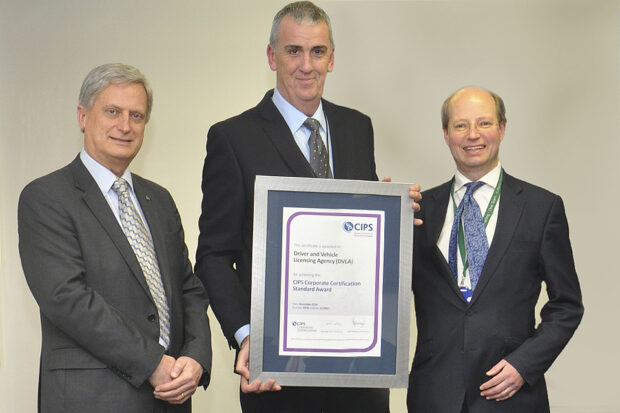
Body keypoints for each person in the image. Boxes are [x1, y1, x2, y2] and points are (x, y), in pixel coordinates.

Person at [195, 2, 420, 411]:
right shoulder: (233, 138)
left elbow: (356, 243)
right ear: (271, 56)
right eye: (293, 51)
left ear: (332, 59)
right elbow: (213, 256)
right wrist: (249, 337)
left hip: (359, 369)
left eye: (317, 52)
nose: (306, 65)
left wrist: (391, 216)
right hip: (278, 373)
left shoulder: (357, 127)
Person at [18, 63, 212, 413]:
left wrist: (196, 357)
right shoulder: (46, 197)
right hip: (90, 399)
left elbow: (189, 289)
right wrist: (153, 362)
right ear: (82, 116)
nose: (125, 126)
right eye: (112, 112)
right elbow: (67, 298)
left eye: (136, 116)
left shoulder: (160, 200)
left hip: (171, 399)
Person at [407, 86, 584, 412]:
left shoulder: (541, 208)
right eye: (460, 125)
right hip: (433, 395)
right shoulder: (416, 211)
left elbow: (568, 305)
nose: (472, 135)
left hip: (512, 395)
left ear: (502, 129)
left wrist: (525, 364)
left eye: (484, 123)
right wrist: (379, 211)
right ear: (446, 134)